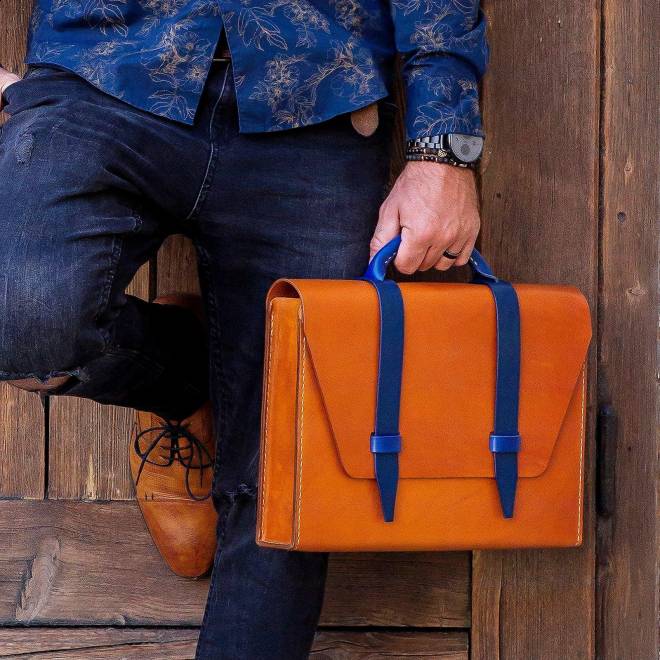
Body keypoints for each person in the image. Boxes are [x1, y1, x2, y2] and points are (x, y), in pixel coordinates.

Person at [0, 1, 487, 657]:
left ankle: (247, 398)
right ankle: (192, 382)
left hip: (316, 99)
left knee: (286, 476)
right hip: (101, 76)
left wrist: (443, 151)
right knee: (19, 321)